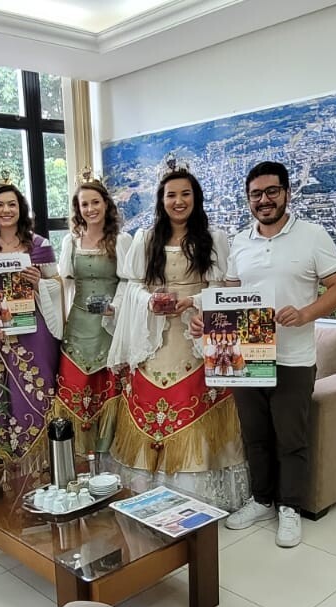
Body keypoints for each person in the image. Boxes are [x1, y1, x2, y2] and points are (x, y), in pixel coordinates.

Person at [209, 161, 336, 548]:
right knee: (254, 436)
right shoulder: (240, 241)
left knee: (291, 438)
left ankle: (290, 507)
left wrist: (305, 313)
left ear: (287, 193)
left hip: (294, 358)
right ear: (248, 199)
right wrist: (207, 323)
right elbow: (231, 296)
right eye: (256, 194)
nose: (264, 200)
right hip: (247, 354)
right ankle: (262, 500)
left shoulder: (312, 236)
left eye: (271, 191)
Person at [106, 163, 249, 510]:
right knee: (151, 404)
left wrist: (194, 301)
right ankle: (148, 494)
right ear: (162, 200)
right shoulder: (146, 239)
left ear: (196, 199)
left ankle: (196, 498)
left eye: (186, 194)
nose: (178, 201)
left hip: (195, 335)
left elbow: (222, 288)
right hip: (153, 338)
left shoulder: (213, 239)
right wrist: (148, 300)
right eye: (171, 195)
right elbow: (132, 286)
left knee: (193, 403)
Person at [0, 181, 64, 472]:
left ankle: (43, 467)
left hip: (34, 332)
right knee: (2, 397)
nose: (6, 210)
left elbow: (58, 284)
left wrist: (39, 283)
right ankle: (9, 469)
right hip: (0, 336)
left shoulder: (39, 245)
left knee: (37, 392)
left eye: (12, 204)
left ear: (21, 209)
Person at [57, 170, 132, 454]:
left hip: (109, 325)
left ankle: (107, 457)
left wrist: (116, 307)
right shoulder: (70, 242)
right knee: (75, 387)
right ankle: (78, 456)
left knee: (107, 388)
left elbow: (128, 282)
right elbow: (63, 283)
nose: (90, 209)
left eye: (95, 202)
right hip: (78, 325)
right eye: (84, 204)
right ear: (78, 209)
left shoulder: (121, 241)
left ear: (106, 204)